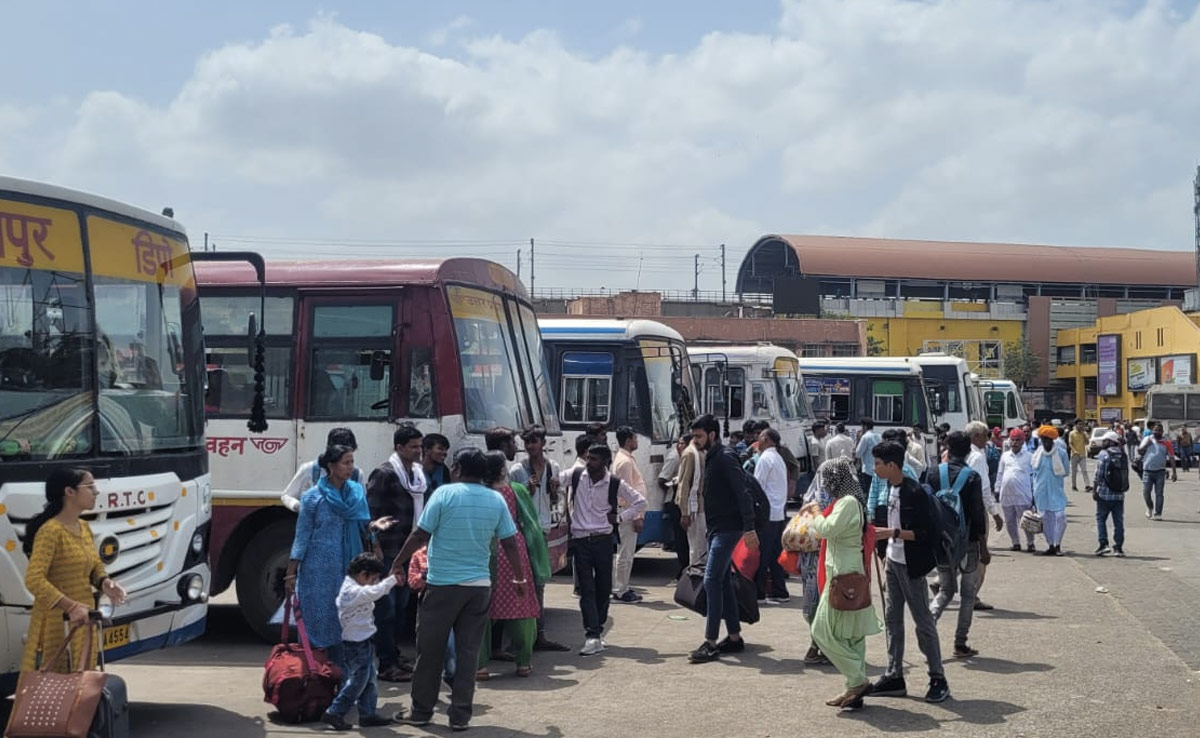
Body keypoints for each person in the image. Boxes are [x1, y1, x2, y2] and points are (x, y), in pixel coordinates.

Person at [389, 448, 528, 732]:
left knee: (430, 652)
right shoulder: (496, 500)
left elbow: (420, 534)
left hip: (442, 586)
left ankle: (421, 712)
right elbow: (510, 542)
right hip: (478, 588)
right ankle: (460, 716)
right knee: (468, 654)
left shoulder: (443, 494)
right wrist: (519, 577)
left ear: (458, 468)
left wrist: (397, 563)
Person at [286, 445, 396, 666]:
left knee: (350, 621)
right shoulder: (312, 498)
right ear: (330, 466)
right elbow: (302, 536)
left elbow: (366, 524)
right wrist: (291, 573)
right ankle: (318, 675)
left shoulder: (356, 493)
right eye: (346, 462)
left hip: (350, 569)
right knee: (319, 620)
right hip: (318, 572)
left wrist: (375, 547)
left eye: (352, 462)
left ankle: (346, 677)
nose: (350, 467)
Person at [22, 468, 127, 673]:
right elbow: (34, 579)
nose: (95, 492)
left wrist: (106, 583)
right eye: (90, 486)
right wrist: (70, 606)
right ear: (69, 492)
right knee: (52, 689)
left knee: (82, 683)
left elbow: (93, 566)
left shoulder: (83, 527)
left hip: (83, 619)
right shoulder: (50, 531)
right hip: (55, 622)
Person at [869, 440, 950, 704]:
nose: (874, 468)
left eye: (878, 464)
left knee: (923, 621)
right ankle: (894, 674)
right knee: (892, 619)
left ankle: (937, 677)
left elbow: (925, 533)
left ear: (892, 465)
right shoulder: (887, 487)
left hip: (912, 565)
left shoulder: (914, 492)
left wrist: (889, 533)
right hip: (893, 561)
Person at [801, 457, 881, 711]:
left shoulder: (846, 503)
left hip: (843, 575)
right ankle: (853, 687)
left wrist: (814, 512)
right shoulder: (849, 501)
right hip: (848, 571)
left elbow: (825, 530)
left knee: (821, 631)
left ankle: (857, 680)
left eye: (826, 479)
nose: (824, 484)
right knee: (851, 635)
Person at [687, 414, 759, 664]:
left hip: (729, 529)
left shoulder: (726, 457)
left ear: (713, 434)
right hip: (717, 528)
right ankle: (734, 637)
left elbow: (743, 492)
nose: (695, 441)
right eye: (694, 436)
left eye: (699, 436)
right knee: (724, 582)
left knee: (711, 580)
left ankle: (710, 642)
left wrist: (749, 527)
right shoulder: (713, 456)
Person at [566, 444, 646, 656]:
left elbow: (640, 501)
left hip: (603, 541)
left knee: (603, 588)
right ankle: (592, 635)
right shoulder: (576, 475)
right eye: (588, 458)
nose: (589, 462)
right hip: (581, 540)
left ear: (605, 463)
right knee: (586, 589)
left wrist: (620, 518)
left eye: (594, 459)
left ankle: (597, 630)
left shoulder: (614, 483)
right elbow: (555, 479)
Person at [366, 424, 428, 682]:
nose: (418, 451)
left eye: (419, 446)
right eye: (413, 446)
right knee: (386, 608)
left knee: (402, 606)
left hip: (408, 551)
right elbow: (369, 514)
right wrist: (375, 547)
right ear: (399, 447)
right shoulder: (384, 473)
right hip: (388, 551)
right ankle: (386, 664)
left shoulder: (417, 476)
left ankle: (393, 655)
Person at [476, 452, 543, 680]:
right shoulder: (516, 490)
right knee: (521, 606)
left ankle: (481, 667)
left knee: (480, 608)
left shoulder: (478, 492)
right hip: (513, 550)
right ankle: (523, 663)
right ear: (503, 468)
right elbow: (531, 525)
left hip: (483, 549)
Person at [928, 432, 989, 657]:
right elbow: (977, 514)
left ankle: (928, 626)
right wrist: (984, 546)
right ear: (969, 451)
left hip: (941, 542)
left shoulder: (934, 473)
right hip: (968, 542)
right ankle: (960, 643)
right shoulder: (971, 477)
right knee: (967, 594)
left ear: (946, 448)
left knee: (945, 590)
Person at [323, 554, 400, 730]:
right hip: (356, 644)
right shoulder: (351, 591)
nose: (374, 582)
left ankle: (367, 714)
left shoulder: (354, 586)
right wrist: (391, 581)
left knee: (370, 679)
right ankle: (335, 711)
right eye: (372, 578)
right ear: (363, 574)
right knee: (359, 680)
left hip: (363, 641)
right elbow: (372, 593)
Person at [508, 425, 568, 652]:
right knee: (523, 582)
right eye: (528, 443)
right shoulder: (517, 470)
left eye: (535, 442)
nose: (531, 447)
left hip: (542, 527)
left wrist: (553, 491)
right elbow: (514, 501)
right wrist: (528, 489)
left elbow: (554, 501)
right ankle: (523, 636)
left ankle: (539, 634)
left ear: (543, 443)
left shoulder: (553, 467)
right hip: (523, 529)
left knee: (539, 583)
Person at [965, 422, 1006, 611]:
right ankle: (972, 596)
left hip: (961, 510)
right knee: (981, 554)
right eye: (984, 435)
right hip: (977, 508)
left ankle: (942, 581)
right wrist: (994, 513)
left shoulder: (961, 454)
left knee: (962, 549)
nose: (987, 439)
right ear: (976, 437)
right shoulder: (978, 457)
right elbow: (983, 488)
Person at [280, 427, 364, 512]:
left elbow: (362, 506)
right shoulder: (310, 470)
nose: (349, 465)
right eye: (343, 455)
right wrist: (299, 507)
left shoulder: (357, 475)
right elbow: (287, 496)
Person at [753, 428, 790, 604]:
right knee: (775, 554)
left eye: (760, 437)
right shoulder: (778, 458)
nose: (757, 440)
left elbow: (757, 486)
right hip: (777, 512)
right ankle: (780, 591)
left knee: (763, 554)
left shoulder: (765, 458)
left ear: (767, 439)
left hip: (766, 513)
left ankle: (759, 593)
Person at [611, 426, 646, 604]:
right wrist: (636, 515)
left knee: (625, 552)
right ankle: (620, 590)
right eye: (635, 438)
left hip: (628, 511)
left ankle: (622, 586)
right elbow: (627, 492)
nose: (637, 441)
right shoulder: (624, 462)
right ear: (628, 440)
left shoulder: (626, 459)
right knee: (625, 552)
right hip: (628, 512)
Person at [1089, 431, 1129, 557]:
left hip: (1105, 494)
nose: (1103, 442)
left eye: (1105, 440)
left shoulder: (1103, 454)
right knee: (1118, 521)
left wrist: (1095, 490)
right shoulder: (1123, 454)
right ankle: (1118, 547)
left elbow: (1099, 475)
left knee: (1101, 519)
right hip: (1119, 494)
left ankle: (1103, 544)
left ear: (1111, 441)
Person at [1032, 426, 1070, 556]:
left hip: (1056, 491)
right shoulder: (1037, 454)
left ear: (1053, 440)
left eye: (1048, 440)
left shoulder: (1062, 453)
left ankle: (1058, 544)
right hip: (1040, 491)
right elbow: (1033, 473)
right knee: (1045, 519)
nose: (1046, 442)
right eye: (1043, 440)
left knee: (1060, 517)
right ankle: (1050, 545)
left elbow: (1065, 471)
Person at [996, 429, 1036, 552]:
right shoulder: (1005, 456)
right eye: (1012, 440)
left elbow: (1033, 476)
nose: (1014, 443)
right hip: (1007, 494)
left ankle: (1030, 543)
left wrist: (1034, 493)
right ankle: (1015, 542)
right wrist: (997, 488)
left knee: (1026, 521)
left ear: (1023, 441)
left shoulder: (1029, 456)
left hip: (1023, 494)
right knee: (1009, 521)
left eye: (1017, 440)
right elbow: (1000, 473)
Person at [659, 436, 691, 580]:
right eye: (679, 443)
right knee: (681, 537)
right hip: (675, 501)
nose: (679, 446)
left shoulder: (688, 457)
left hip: (684, 502)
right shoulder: (675, 458)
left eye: (682, 443)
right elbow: (662, 480)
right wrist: (675, 485)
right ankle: (684, 567)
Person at [677, 433, 707, 568]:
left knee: (701, 547)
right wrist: (684, 512)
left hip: (701, 506)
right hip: (694, 508)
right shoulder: (690, 454)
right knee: (697, 548)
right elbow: (684, 484)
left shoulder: (701, 452)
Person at [1139, 423, 1177, 520]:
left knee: (1159, 493)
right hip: (1147, 470)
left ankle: (1158, 513)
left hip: (1160, 472)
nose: (1157, 432)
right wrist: (1147, 445)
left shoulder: (1166, 442)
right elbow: (1140, 451)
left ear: (1162, 432)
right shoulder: (1147, 439)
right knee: (1146, 492)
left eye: (1159, 430)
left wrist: (1174, 472)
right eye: (1155, 430)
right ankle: (1150, 507)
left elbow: (1172, 457)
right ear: (1153, 431)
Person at [854, 418, 881, 494]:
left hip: (867, 471)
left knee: (867, 493)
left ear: (865, 427)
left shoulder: (865, 437)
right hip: (879, 469)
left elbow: (858, 454)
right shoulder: (879, 436)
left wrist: (858, 439)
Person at [1068, 420, 1089, 492]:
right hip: (1074, 455)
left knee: (1084, 470)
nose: (1081, 426)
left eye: (1081, 424)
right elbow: (1070, 443)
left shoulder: (1083, 433)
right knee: (1074, 472)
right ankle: (1074, 486)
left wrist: (1085, 436)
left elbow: (1087, 443)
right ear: (1076, 425)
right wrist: (1074, 451)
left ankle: (1087, 485)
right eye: (1079, 424)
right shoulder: (1072, 433)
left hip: (1082, 454)